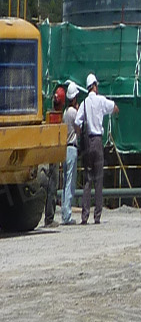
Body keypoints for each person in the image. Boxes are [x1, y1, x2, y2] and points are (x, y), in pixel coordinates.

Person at [78, 73, 118, 224]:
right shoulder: (101, 100)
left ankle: (84, 216)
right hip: (97, 141)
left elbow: (77, 120)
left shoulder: (84, 103)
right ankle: (97, 216)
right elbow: (112, 106)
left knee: (88, 180)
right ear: (95, 85)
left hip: (87, 142)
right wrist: (115, 109)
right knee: (98, 180)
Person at [42, 84, 64, 226]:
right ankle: (49, 218)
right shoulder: (57, 117)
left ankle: (48, 216)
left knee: (49, 186)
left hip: (48, 154)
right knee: (52, 186)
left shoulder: (49, 115)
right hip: (54, 155)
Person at [61, 82, 81, 225]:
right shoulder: (74, 113)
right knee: (70, 182)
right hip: (72, 148)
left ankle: (64, 211)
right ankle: (67, 214)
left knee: (64, 182)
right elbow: (79, 129)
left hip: (64, 149)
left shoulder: (64, 113)